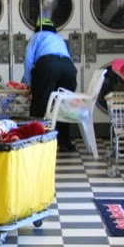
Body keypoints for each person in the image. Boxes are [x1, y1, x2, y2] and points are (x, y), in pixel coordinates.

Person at [23, 17, 78, 152]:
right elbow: (67, 57)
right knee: (64, 105)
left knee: (39, 103)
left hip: (47, 65)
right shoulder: (58, 38)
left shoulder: (36, 36)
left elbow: (28, 61)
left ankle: (35, 141)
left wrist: (30, 84)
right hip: (68, 67)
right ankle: (65, 143)